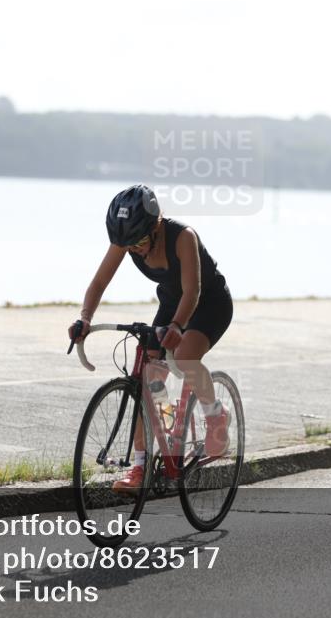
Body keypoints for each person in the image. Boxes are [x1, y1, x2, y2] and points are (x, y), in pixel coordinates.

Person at [68, 184, 234, 493]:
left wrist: (177, 327)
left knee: (185, 357)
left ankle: (216, 416)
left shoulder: (183, 237)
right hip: (172, 303)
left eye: (141, 242)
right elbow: (99, 282)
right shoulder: (128, 239)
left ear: (156, 225)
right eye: (129, 245)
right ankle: (141, 465)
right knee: (149, 380)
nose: (136, 249)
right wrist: (85, 318)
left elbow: (193, 292)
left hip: (209, 303)